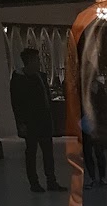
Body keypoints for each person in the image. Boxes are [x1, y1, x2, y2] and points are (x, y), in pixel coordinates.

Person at [10, 47, 66, 193]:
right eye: (36, 60)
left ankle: (51, 181)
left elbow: (46, 99)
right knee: (31, 153)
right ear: (29, 61)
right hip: (30, 123)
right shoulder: (18, 79)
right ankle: (34, 183)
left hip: (44, 121)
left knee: (48, 153)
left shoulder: (40, 76)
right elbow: (16, 103)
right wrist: (21, 123)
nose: (39, 62)